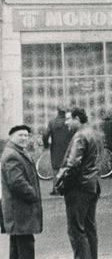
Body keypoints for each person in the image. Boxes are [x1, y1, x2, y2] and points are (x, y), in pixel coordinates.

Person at [60, 108, 102, 259]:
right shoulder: (94, 133)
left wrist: (63, 183)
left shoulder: (79, 136)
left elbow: (73, 164)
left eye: (68, 119)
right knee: (90, 227)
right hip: (93, 184)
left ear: (77, 119)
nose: (66, 122)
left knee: (76, 229)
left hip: (79, 187)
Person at [1, 125, 42, 259]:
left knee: (17, 247)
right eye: (20, 135)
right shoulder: (12, 155)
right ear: (12, 137)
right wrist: (32, 194)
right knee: (25, 247)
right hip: (20, 210)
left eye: (26, 135)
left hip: (19, 210)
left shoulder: (17, 152)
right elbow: (16, 182)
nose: (24, 138)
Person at [42, 105, 74, 195]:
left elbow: (45, 134)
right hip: (69, 147)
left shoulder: (52, 122)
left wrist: (46, 145)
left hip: (56, 148)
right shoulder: (69, 122)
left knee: (56, 168)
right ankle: (68, 188)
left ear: (58, 111)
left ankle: (56, 189)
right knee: (68, 167)